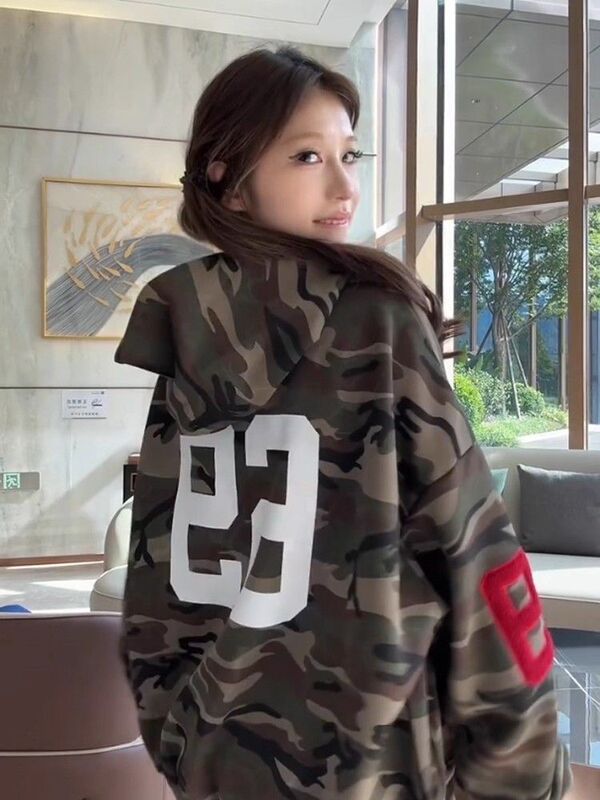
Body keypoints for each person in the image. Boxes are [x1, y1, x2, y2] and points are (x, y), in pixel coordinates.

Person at [115, 47, 571, 800]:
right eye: (307, 156)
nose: (345, 186)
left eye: (348, 155)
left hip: (220, 752)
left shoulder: (183, 323)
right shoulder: (377, 317)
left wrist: (176, 735)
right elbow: (475, 552)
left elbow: (156, 576)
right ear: (228, 179)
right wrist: (522, 768)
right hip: (375, 758)